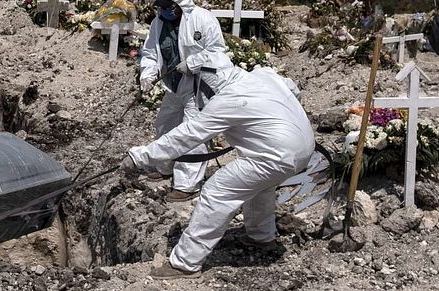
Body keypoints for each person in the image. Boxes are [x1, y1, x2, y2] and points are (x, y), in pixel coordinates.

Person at [123, 60, 314, 279]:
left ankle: (185, 263)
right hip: (303, 147)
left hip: (278, 155)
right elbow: (293, 89)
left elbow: (187, 135)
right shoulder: (263, 75)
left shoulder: (227, 100)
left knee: (218, 190)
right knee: (260, 184)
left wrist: (140, 156)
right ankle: (261, 236)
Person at [136, 0, 230, 200]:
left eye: (170, 8)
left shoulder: (202, 19)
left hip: (197, 86)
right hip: (173, 86)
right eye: (162, 8)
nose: (166, 12)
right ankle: (165, 166)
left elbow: (218, 52)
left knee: (191, 133)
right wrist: (147, 74)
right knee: (165, 126)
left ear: (180, 4)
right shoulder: (158, 24)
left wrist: (193, 63)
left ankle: (187, 185)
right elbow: (150, 52)